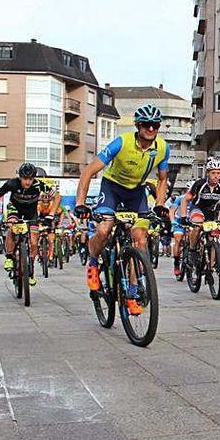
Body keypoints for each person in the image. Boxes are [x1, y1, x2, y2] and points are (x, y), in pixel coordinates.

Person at [75, 104, 170, 314]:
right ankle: (92, 262)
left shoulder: (163, 148)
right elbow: (88, 171)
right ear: (138, 125)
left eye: (155, 125)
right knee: (103, 230)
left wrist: (161, 204)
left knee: (140, 240)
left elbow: (163, 180)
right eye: (147, 125)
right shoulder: (122, 142)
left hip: (136, 193)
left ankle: (133, 292)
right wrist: (80, 203)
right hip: (112, 188)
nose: (151, 129)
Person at [0, 163, 55, 286]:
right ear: (20, 177)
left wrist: (51, 215)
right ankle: (9, 257)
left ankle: (30, 271)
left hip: (31, 213)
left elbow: (57, 196)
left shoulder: (38, 184)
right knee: (13, 227)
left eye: (30, 179)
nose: (28, 182)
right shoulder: (12, 183)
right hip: (15, 209)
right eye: (25, 178)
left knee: (34, 242)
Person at [178, 159, 220, 266]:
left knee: (213, 237)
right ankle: (191, 250)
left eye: (218, 173)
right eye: (213, 173)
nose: (216, 176)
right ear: (207, 173)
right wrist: (183, 216)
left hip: (213, 211)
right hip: (198, 208)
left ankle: (211, 265)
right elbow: (185, 199)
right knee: (197, 226)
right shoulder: (200, 184)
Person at [36, 187, 62, 264]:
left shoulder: (52, 205)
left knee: (51, 241)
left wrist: (57, 224)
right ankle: (39, 253)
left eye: (47, 201)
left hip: (50, 220)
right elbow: (37, 215)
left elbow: (59, 214)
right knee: (36, 237)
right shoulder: (39, 205)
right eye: (44, 202)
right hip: (41, 220)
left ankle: (50, 257)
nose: (45, 203)